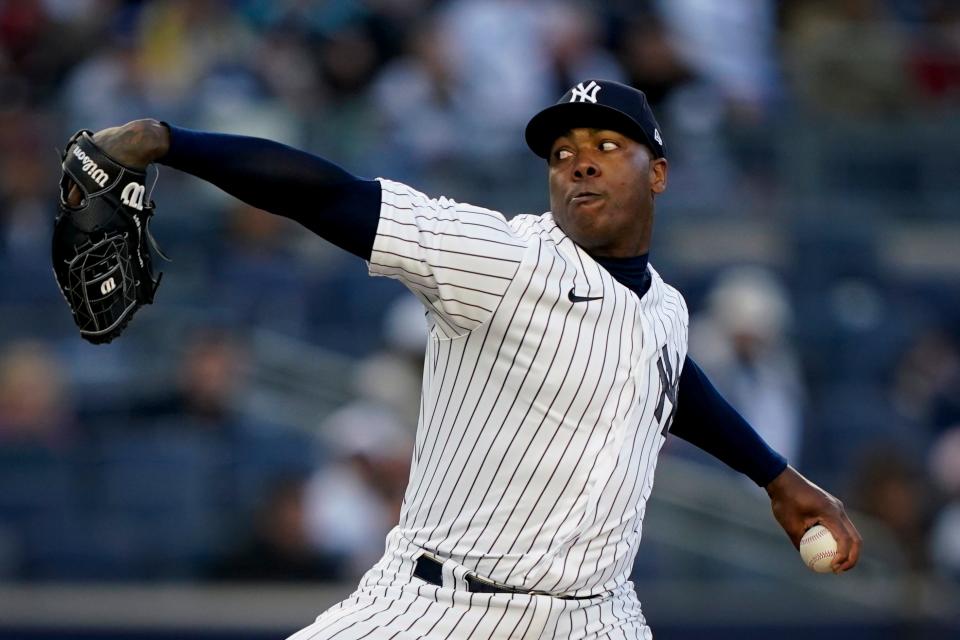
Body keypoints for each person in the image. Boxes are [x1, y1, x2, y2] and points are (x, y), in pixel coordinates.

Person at [66, 79, 861, 639]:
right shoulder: (504, 258)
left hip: (595, 618)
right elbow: (330, 196)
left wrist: (776, 476)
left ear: (656, 173)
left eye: (605, 145)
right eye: (561, 151)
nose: (577, 160)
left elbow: (667, 373)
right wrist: (168, 142)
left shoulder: (666, 307)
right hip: (438, 609)